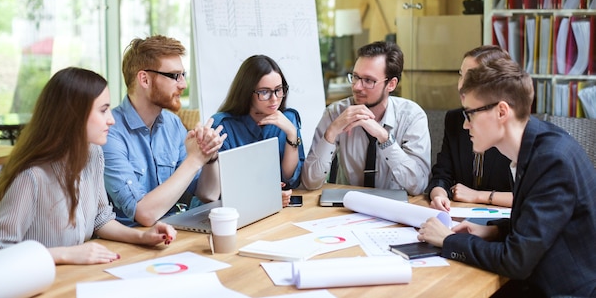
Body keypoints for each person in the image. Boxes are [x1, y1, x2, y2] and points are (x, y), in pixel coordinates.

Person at [417, 57, 596, 298]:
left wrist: (448, 240)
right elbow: (538, 225)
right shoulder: (538, 143)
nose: (465, 126)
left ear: (502, 111)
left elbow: (516, 261)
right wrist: (493, 231)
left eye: (470, 114)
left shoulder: (552, 160)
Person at [0, 67, 176, 265]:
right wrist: (66, 254)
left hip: (75, 276)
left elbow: (100, 219)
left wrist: (142, 237)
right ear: (74, 115)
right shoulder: (32, 176)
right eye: (103, 110)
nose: (111, 120)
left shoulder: (93, 154)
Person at [103, 36, 226, 227]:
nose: (183, 84)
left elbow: (208, 194)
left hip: (170, 234)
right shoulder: (109, 132)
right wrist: (194, 159)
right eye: (175, 76)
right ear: (144, 79)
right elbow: (143, 213)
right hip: (128, 244)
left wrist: (209, 156)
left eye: (183, 75)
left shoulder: (172, 124)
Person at [302, 41, 430, 195]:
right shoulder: (335, 113)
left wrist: (384, 137)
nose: (356, 87)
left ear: (391, 84)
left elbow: (418, 185)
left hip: (393, 209)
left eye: (368, 80)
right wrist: (331, 132)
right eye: (355, 77)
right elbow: (310, 182)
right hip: (346, 207)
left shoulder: (412, 116)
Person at [426, 45, 513, 210]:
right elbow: (442, 174)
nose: (461, 86)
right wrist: (439, 194)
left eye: (471, 78)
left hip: (504, 222)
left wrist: (478, 196)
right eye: (461, 76)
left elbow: (531, 196)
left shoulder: (514, 126)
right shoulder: (455, 119)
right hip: (460, 214)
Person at [211, 55, 304, 207]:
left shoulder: (288, 119)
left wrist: (292, 134)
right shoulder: (222, 125)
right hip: (232, 211)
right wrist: (265, 198)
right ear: (247, 92)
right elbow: (220, 189)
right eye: (264, 92)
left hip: (279, 211)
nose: (274, 99)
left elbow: (289, 178)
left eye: (278, 90)